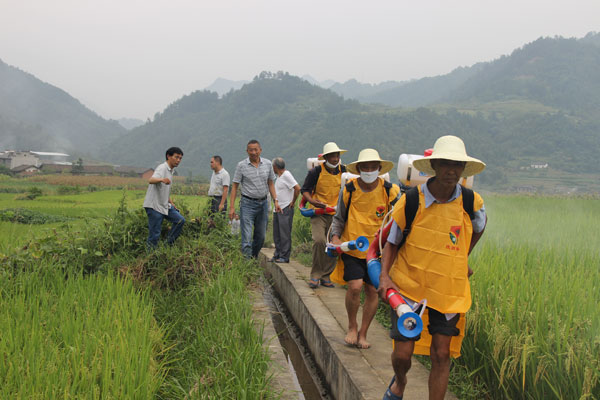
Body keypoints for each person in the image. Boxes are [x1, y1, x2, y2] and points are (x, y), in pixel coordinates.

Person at [378, 135, 487, 400]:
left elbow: (478, 228)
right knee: (403, 354)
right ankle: (400, 380)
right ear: (434, 165)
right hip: (408, 286)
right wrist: (384, 277)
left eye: (457, 165)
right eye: (446, 163)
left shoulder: (471, 203)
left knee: (441, 353)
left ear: (464, 169)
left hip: (448, 289)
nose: (452, 170)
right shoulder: (411, 201)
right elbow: (392, 242)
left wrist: (462, 258)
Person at [330, 149, 400, 349]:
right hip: (352, 247)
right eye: (365, 168)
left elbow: (398, 221)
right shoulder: (349, 190)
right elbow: (339, 218)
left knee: (372, 290)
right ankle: (352, 326)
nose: (369, 171)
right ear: (359, 169)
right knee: (355, 286)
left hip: (378, 251)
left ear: (379, 169)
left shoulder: (390, 191)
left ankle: (363, 332)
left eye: (373, 167)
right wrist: (335, 238)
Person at [300, 142, 347, 289]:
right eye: (332, 156)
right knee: (319, 240)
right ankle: (315, 274)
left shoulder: (344, 172)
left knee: (333, 244)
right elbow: (305, 190)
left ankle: (326, 276)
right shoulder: (316, 172)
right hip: (318, 212)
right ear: (326, 157)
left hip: (336, 214)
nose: (335, 159)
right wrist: (312, 201)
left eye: (337, 155)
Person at [229, 140, 279, 258]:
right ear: (247, 151)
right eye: (250, 150)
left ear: (260, 150)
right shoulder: (241, 165)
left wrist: (275, 200)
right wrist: (231, 207)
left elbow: (271, 183)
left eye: (255, 150)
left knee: (261, 237)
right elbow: (235, 186)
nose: (253, 152)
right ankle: (247, 264)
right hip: (247, 204)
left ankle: (253, 257)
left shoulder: (267, 164)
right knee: (246, 237)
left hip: (263, 204)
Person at [143, 147, 185, 248]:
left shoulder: (171, 171)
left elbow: (164, 190)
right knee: (155, 234)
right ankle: (151, 255)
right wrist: (161, 179)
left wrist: (171, 203)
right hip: (154, 206)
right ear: (168, 156)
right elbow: (151, 180)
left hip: (164, 204)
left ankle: (167, 245)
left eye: (180, 158)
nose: (178, 160)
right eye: (176, 157)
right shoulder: (162, 168)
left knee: (180, 220)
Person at [271, 157, 300, 263]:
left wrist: (292, 202)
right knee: (277, 233)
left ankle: (284, 256)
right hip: (278, 208)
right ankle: (277, 254)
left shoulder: (286, 175)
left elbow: (297, 188)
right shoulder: (279, 177)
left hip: (285, 208)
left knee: (284, 233)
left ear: (275, 167)